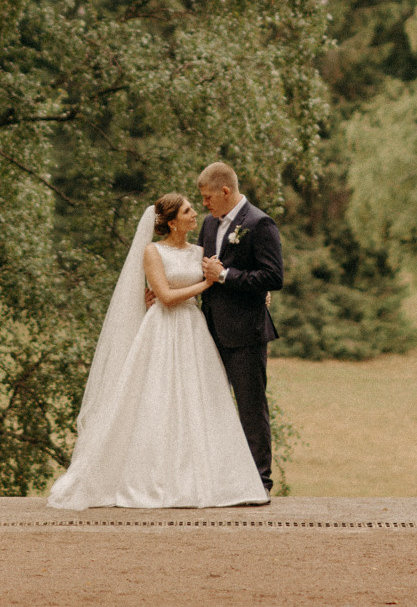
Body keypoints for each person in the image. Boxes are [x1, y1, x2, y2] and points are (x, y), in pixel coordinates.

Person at [46, 193, 270, 509]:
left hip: (193, 330)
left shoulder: (200, 252)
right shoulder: (152, 251)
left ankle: (201, 479)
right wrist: (206, 284)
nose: (195, 214)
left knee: (199, 399)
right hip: (162, 328)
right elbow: (164, 296)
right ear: (172, 221)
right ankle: (152, 478)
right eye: (188, 210)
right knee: (155, 398)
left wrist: (259, 295)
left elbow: (230, 278)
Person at [195, 161, 282, 493]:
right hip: (210, 330)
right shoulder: (209, 224)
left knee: (251, 409)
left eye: (208, 197)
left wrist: (226, 276)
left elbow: (273, 276)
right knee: (212, 406)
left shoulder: (259, 223)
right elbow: (200, 269)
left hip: (246, 332)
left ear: (225, 191)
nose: (204, 203)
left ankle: (259, 482)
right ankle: (219, 478)